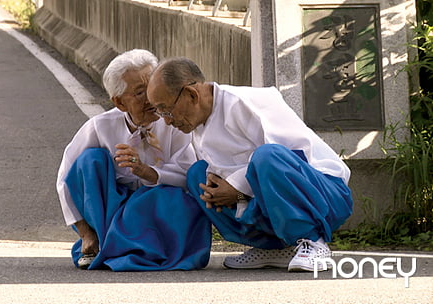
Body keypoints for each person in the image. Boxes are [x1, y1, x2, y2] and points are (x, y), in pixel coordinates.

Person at [146, 57, 353, 272]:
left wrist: (236, 187)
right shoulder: (197, 123)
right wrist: (230, 191)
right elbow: (242, 187)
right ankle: (273, 247)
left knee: (267, 156)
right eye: (161, 114)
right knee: (198, 176)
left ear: (191, 94)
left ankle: (313, 241)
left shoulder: (243, 102)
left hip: (323, 193)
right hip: (265, 193)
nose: (167, 121)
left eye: (166, 110)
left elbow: (290, 158)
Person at [56, 50, 211, 271]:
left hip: (153, 209)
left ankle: (136, 249)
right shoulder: (100, 127)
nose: (151, 99)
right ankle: (97, 241)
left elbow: (187, 172)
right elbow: (65, 179)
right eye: (140, 93)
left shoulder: (175, 120)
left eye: (151, 88)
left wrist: (146, 171)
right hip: (111, 212)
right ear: (119, 102)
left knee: (171, 197)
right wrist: (85, 232)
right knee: (90, 161)